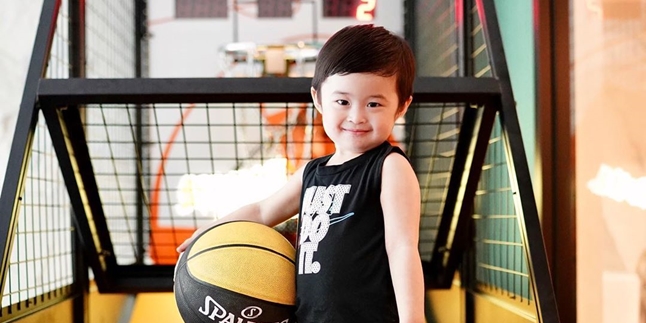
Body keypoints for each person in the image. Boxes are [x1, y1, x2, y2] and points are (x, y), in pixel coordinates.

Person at [177, 24, 425, 323]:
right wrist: (210, 232)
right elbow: (262, 211)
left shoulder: (389, 167)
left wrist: (413, 319)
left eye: (374, 104)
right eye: (342, 102)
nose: (356, 116)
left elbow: (402, 248)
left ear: (401, 106)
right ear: (318, 99)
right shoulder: (311, 173)